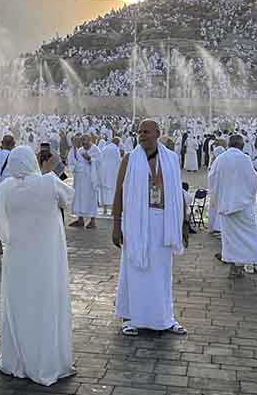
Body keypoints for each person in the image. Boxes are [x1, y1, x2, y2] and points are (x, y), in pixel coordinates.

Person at [0, 146, 76, 386]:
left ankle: (16, 359)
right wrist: (47, 172)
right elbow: (68, 198)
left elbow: (2, 226)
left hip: (17, 258)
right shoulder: (48, 182)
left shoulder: (6, 187)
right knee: (44, 305)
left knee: (19, 305)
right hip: (45, 258)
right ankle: (44, 360)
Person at [112, 120, 189, 337]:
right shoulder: (129, 159)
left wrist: (184, 223)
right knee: (135, 270)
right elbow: (119, 192)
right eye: (139, 132)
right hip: (136, 222)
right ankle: (131, 318)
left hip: (164, 222)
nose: (142, 135)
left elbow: (178, 193)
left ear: (157, 133)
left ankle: (164, 318)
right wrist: (116, 224)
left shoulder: (171, 159)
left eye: (146, 132)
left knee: (161, 274)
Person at [209, 134, 257, 281]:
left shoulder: (220, 159)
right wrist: (249, 199)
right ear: (242, 145)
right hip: (243, 207)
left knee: (231, 240)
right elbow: (253, 182)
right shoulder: (244, 159)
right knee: (253, 238)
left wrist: (218, 200)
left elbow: (212, 181)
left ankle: (234, 270)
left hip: (225, 206)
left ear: (229, 145)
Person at [68, 134, 101, 229]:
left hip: (90, 180)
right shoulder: (80, 150)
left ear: (90, 140)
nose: (83, 143)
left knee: (91, 198)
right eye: (82, 141)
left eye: (85, 140)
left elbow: (99, 163)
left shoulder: (95, 150)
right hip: (80, 180)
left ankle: (92, 221)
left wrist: (90, 159)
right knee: (79, 198)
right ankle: (80, 219)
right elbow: (74, 161)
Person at [98, 138, 122, 216]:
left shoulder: (105, 148)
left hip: (104, 171)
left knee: (104, 190)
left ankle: (104, 209)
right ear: (117, 142)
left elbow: (100, 159)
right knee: (113, 190)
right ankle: (112, 210)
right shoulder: (116, 149)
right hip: (113, 172)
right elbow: (118, 160)